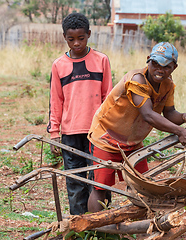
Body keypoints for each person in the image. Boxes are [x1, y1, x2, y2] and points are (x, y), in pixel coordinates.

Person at [87, 42, 186, 212]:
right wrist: (180, 131)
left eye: (166, 66)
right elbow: (148, 115)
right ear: (148, 61)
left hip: (133, 141)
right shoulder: (136, 79)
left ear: (174, 67)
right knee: (101, 188)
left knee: (142, 184)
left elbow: (169, 113)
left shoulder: (168, 85)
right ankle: (95, 231)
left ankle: (136, 227)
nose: (159, 69)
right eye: (155, 64)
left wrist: (183, 117)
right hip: (107, 137)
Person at [47, 12, 113, 215]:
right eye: (71, 39)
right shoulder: (59, 65)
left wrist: (110, 129)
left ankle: (103, 226)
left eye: (81, 38)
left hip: (97, 133)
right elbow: (55, 101)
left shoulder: (101, 60)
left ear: (89, 34)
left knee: (100, 180)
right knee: (74, 182)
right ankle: (79, 226)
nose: (76, 43)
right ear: (64, 38)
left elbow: (108, 98)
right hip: (70, 133)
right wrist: (54, 132)